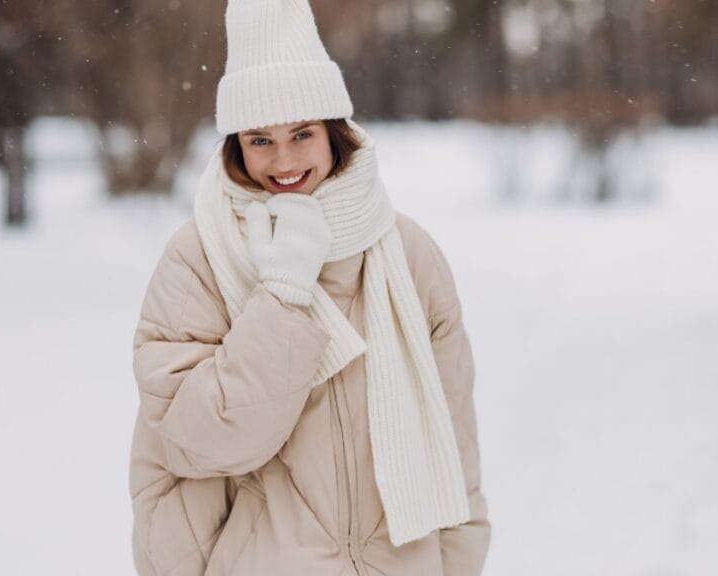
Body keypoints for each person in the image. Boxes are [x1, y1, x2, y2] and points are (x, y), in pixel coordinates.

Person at [128, 1, 490, 574]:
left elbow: (453, 439)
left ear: (333, 133)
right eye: (260, 139)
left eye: (301, 133)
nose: (285, 161)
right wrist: (283, 292)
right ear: (236, 147)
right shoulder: (199, 257)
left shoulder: (407, 254)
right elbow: (197, 443)